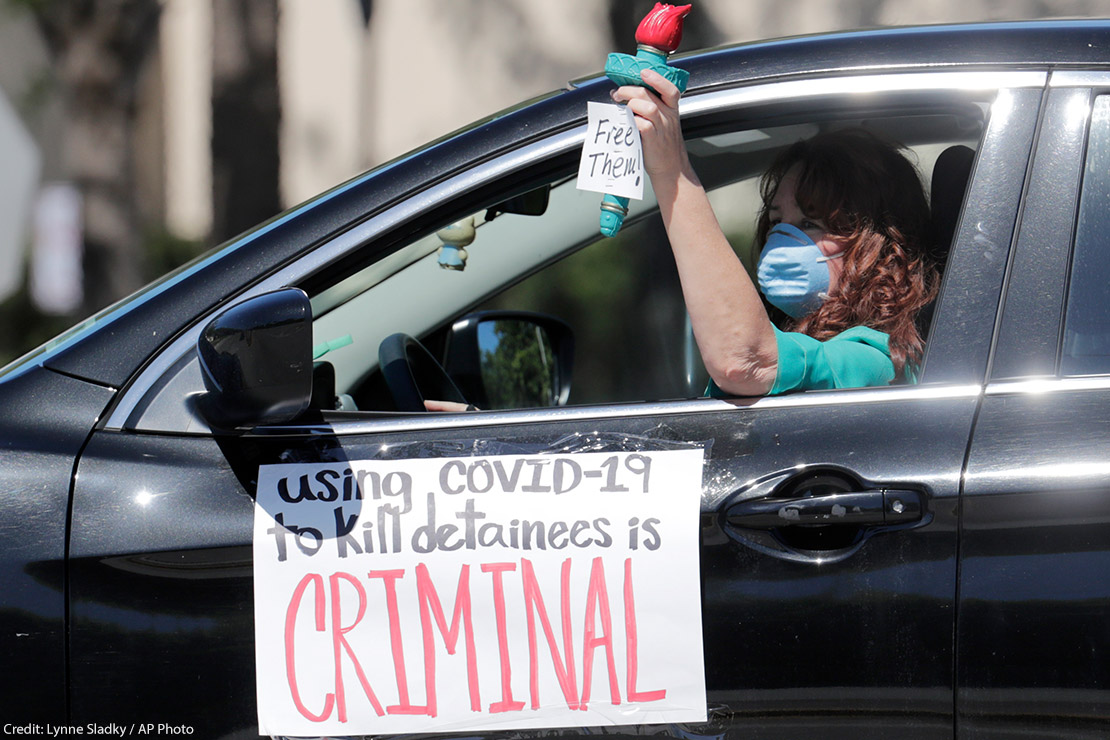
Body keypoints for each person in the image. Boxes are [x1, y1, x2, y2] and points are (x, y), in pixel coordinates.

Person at [613, 69, 937, 397]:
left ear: (878, 248)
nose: (781, 241)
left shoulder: (878, 360)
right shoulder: (799, 341)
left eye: (810, 223)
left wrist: (672, 173)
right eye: (777, 222)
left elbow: (744, 361)